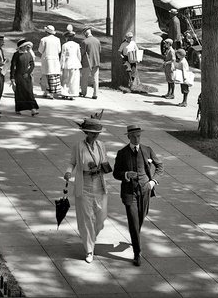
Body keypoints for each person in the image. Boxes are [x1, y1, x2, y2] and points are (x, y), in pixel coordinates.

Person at [112, 124, 163, 266]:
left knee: (141, 217)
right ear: (128, 137)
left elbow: (160, 167)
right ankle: (137, 253)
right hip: (129, 193)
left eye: (138, 136)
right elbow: (116, 173)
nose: (136, 139)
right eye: (133, 136)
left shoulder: (147, 150)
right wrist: (126, 174)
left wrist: (153, 182)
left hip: (145, 190)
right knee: (133, 222)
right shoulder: (122, 153)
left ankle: (135, 238)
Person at [62, 118, 112, 263]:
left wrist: (100, 167)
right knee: (86, 218)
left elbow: (105, 163)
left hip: (99, 184)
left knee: (100, 218)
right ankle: (89, 249)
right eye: (93, 133)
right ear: (87, 132)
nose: (96, 135)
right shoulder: (78, 146)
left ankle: (92, 238)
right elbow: (72, 162)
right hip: (84, 184)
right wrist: (68, 172)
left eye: (98, 133)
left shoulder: (101, 145)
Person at [9, 39, 39, 116]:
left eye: (27, 46)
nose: (27, 47)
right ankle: (18, 108)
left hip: (27, 76)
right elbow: (13, 66)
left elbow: (32, 65)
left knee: (29, 92)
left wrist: (28, 73)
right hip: (18, 76)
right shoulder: (16, 54)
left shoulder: (28, 54)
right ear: (21, 47)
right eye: (25, 46)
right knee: (19, 92)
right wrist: (12, 78)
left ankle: (33, 109)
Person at [38, 25, 63, 99]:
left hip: (47, 59)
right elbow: (59, 50)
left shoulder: (44, 39)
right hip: (55, 59)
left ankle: (46, 91)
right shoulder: (57, 39)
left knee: (46, 75)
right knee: (53, 76)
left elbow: (40, 50)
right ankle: (52, 92)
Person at [60, 30, 83, 99]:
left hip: (67, 64)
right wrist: (78, 62)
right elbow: (79, 56)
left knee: (65, 79)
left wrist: (61, 65)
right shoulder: (76, 45)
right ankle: (72, 93)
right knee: (74, 80)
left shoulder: (64, 45)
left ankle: (65, 93)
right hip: (75, 64)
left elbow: (63, 56)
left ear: (67, 38)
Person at [81, 27, 101, 100]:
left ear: (86, 33)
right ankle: (95, 93)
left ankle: (83, 92)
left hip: (87, 62)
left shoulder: (84, 42)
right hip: (96, 62)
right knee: (95, 79)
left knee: (84, 78)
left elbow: (82, 53)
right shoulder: (97, 41)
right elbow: (99, 51)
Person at [160, 34, 176, 100]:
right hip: (167, 67)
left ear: (169, 44)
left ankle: (172, 94)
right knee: (168, 80)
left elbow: (173, 59)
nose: (165, 45)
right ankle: (168, 92)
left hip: (170, 67)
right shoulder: (167, 50)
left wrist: (167, 62)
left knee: (171, 80)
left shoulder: (172, 51)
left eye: (166, 43)